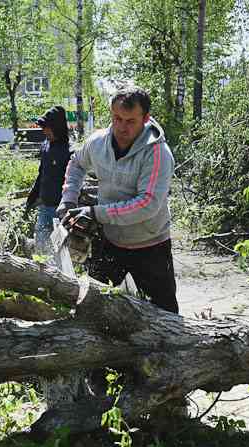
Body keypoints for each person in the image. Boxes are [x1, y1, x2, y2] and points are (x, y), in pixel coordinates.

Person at [57, 86, 178, 314]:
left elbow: (147, 204)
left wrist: (95, 213)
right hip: (109, 241)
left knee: (165, 313)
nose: (122, 127)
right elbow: (77, 164)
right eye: (117, 118)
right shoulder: (97, 142)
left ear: (146, 118)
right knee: (91, 306)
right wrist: (68, 199)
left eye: (130, 121)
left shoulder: (158, 154)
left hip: (151, 245)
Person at [26, 106, 72, 253]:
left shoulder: (69, 151)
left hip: (60, 210)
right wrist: (33, 195)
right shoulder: (45, 146)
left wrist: (66, 207)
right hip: (44, 206)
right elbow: (42, 173)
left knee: (59, 248)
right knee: (41, 245)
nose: (44, 131)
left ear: (56, 128)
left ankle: (60, 274)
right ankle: (42, 271)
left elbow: (73, 183)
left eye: (47, 128)